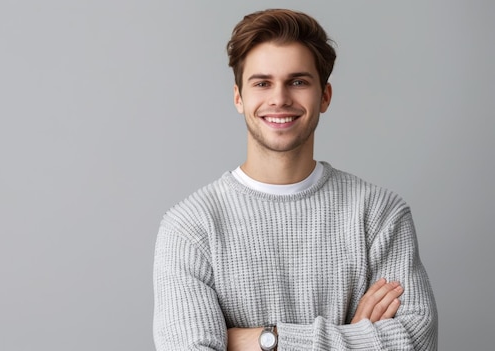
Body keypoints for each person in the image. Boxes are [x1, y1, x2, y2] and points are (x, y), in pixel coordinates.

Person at [153, 8, 437, 351]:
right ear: (239, 98)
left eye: (298, 81)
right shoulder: (191, 227)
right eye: (262, 83)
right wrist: (359, 338)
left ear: (325, 97)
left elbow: (416, 341)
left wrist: (263, 340)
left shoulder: (378, 215)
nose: (280, 99)